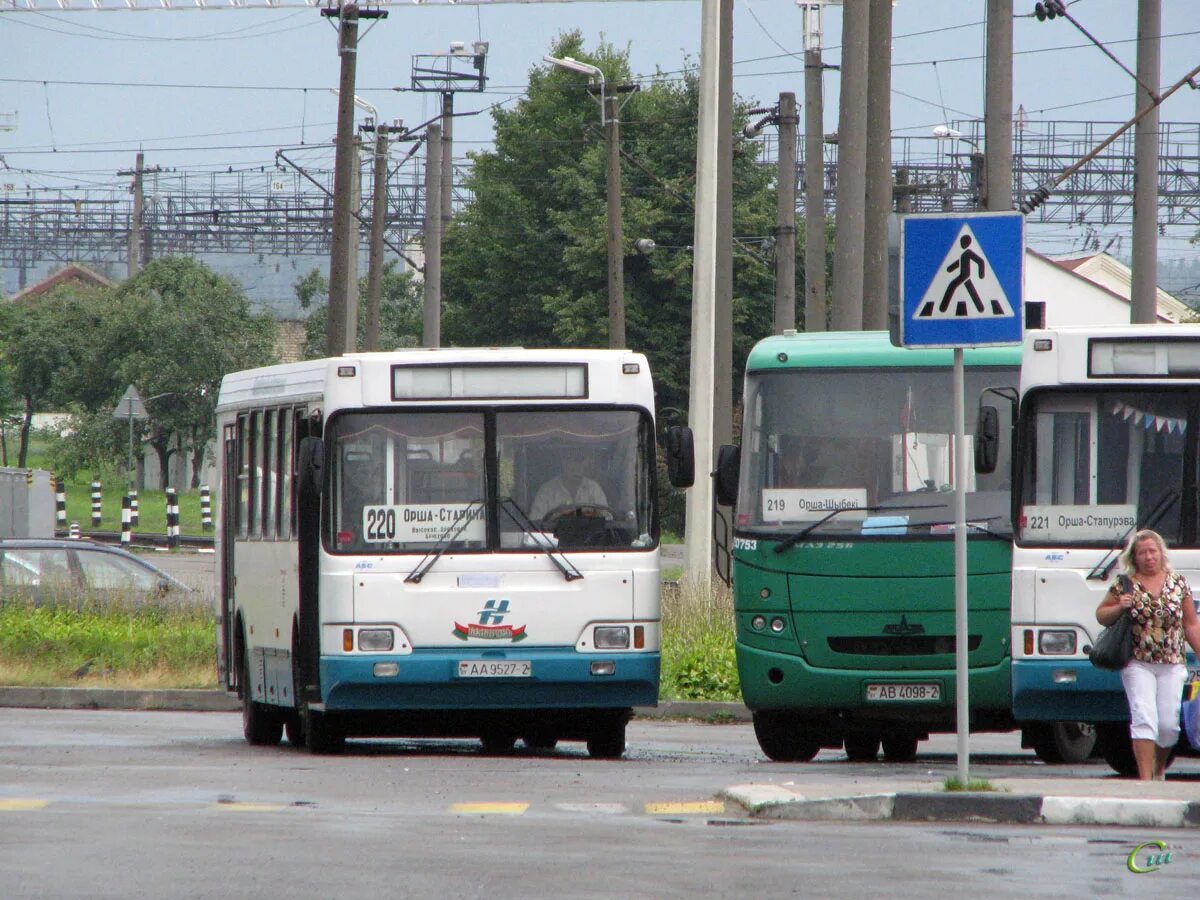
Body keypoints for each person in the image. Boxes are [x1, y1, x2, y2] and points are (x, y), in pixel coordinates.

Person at [1095, 529, 1200, 780]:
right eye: (1142, 553)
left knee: (1168, 727)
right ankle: (1145, 781)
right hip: (1137, 662)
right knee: (1144, 718)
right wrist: (1120, 606)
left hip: (1172, 662)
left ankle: (1158, 769)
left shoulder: (1178, 583)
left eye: (1152, 551)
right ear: (1135, 557)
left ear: (1161, 553)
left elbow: (1190, 624)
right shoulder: (1125, 583)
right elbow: (1101, 614)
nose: (1148, 557)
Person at [530, 449, 608, 523]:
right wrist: (556, 517)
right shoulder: (547, 491)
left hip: (590, 535)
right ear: (563, 461)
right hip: (554, 536)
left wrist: (592, 515)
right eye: (569, 459)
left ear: (586, 462)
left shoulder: (594, 489)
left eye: (579, 459)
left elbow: (607, 519)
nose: (574, 464)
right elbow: (535, 522)